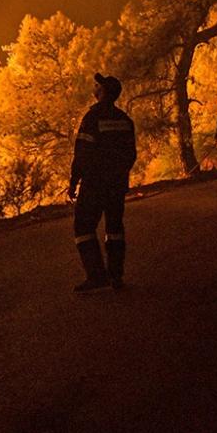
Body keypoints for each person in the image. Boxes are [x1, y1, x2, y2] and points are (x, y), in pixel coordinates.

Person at [68, 73, 137, 293]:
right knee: (114, 228)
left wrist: (74, 180)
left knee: (83, 227)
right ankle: (116, 275)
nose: (94, 87)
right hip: (117, 184)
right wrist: (119, 174)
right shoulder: (125, 120)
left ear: (103, 92)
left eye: (97, 85)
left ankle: (97, 276)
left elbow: (82, 152)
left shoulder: (93, 118)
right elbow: (131, 154)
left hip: (95, 183)